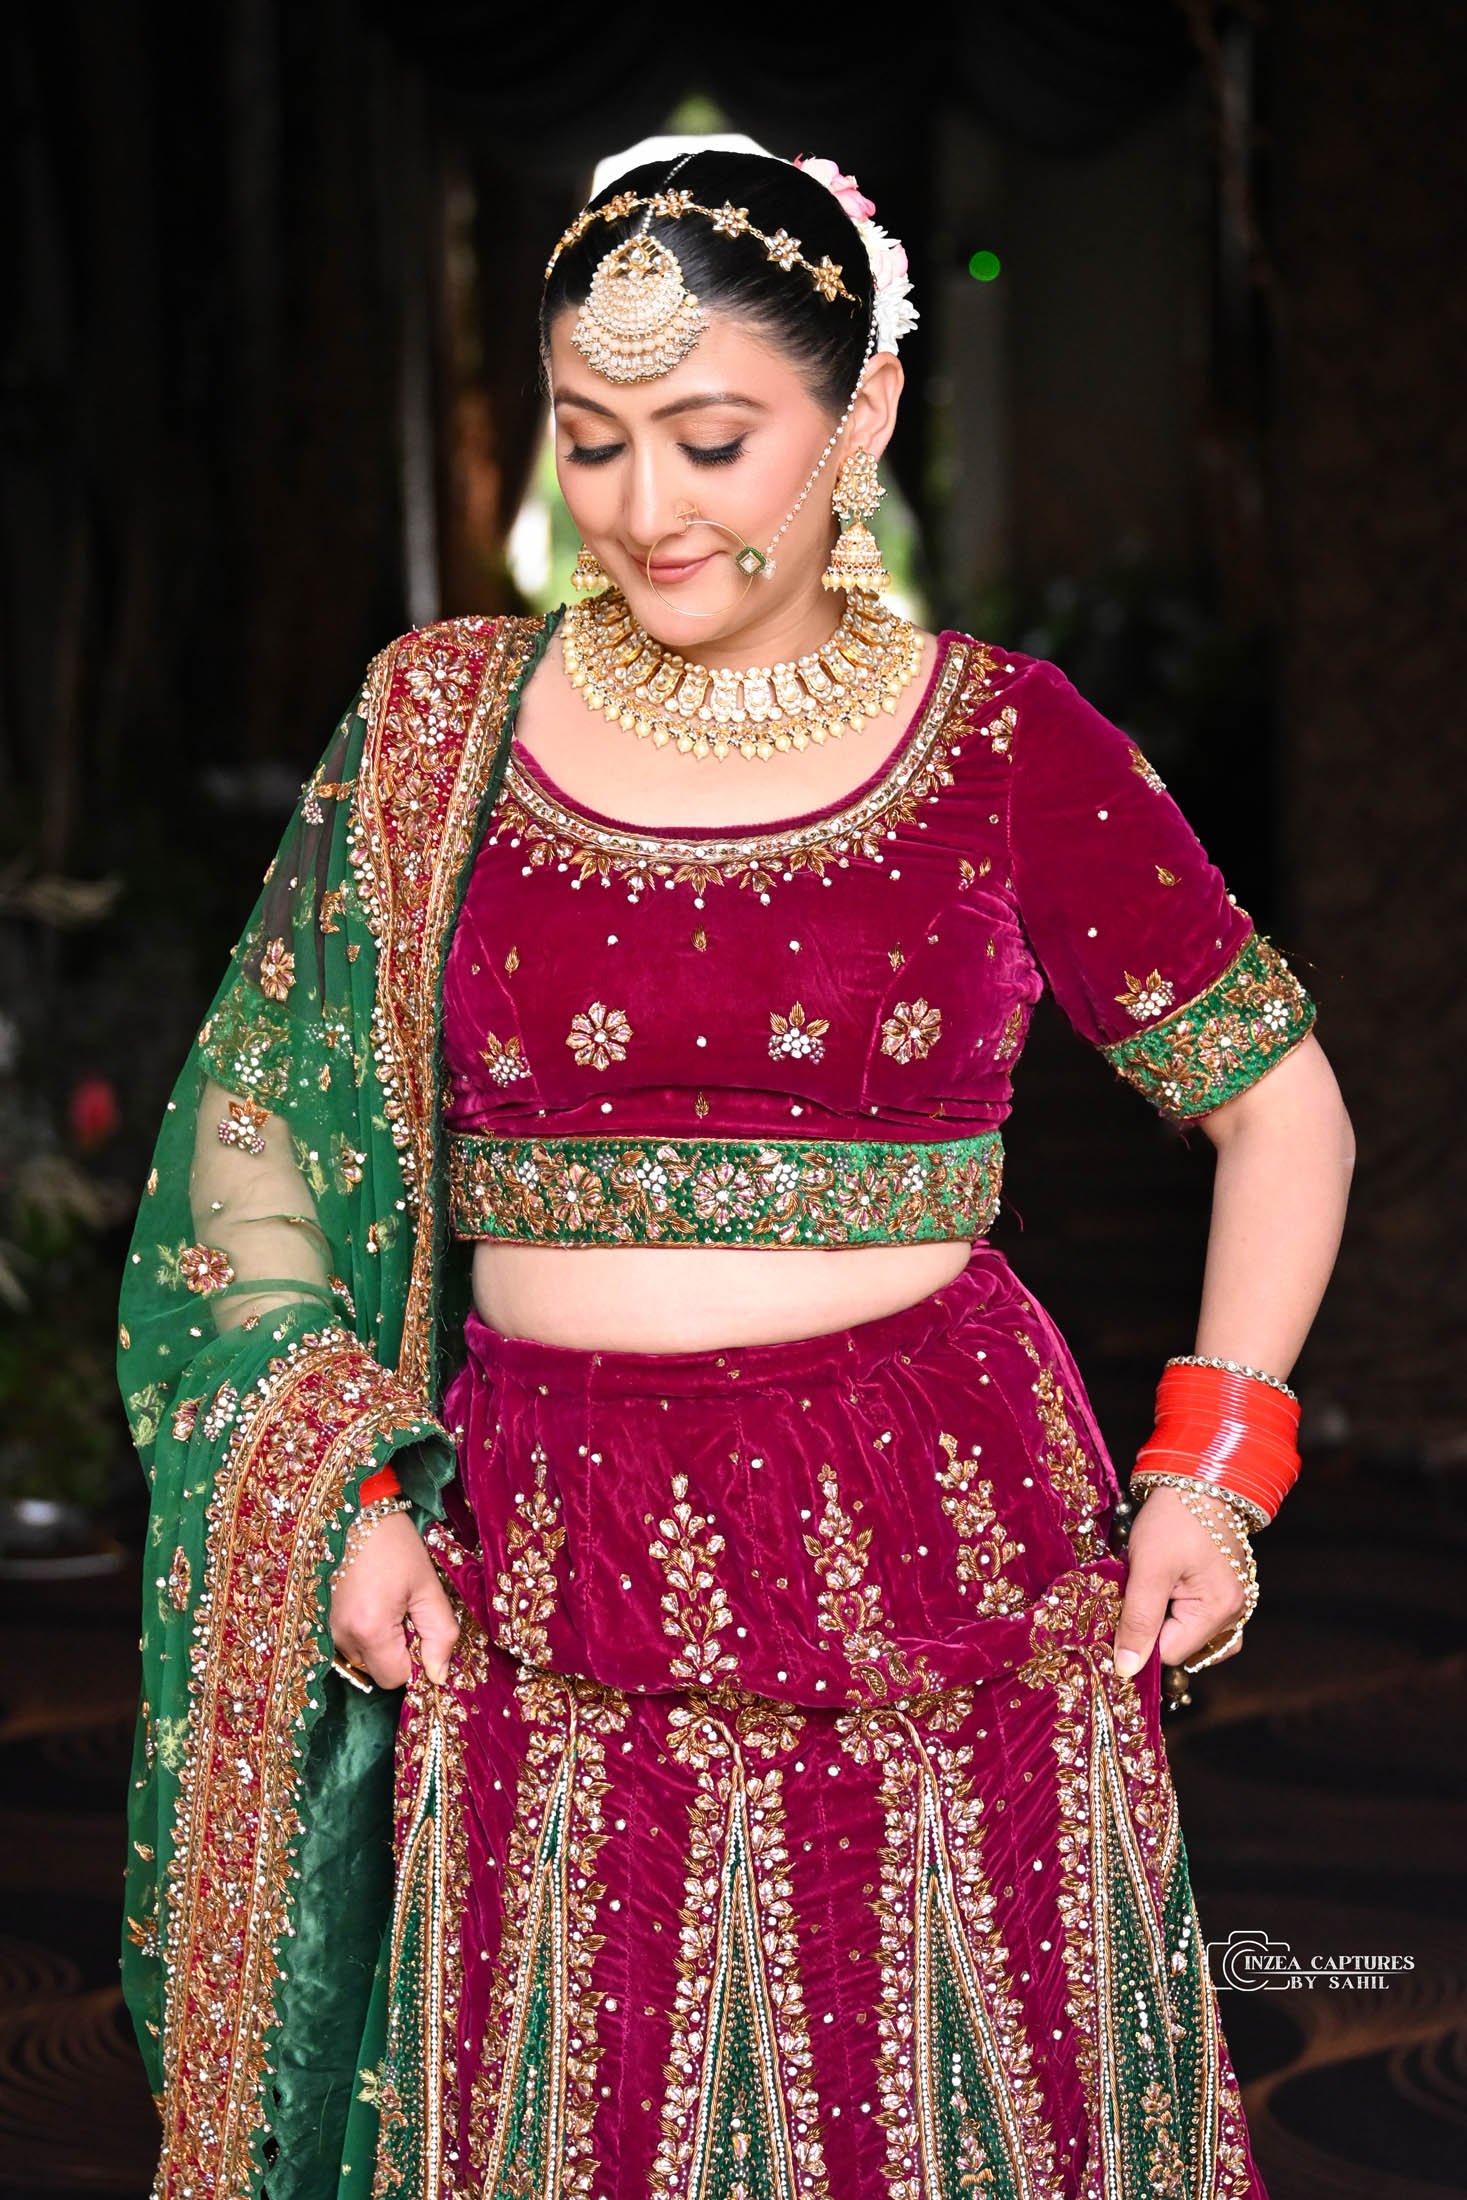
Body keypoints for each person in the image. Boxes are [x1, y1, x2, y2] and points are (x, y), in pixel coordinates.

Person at [118, 144, 1353, 2200]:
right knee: (563, 2108)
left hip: (931, 1537)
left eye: (708, 438)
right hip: (542, 1540)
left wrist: (1211, 1468)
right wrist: (329, 1493)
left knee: (942, 2100)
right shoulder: (441, 726)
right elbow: (252, 1140)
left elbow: (1274, 1101)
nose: (641, 507)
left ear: (859, 411)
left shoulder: (999, 741)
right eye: (590, 443)